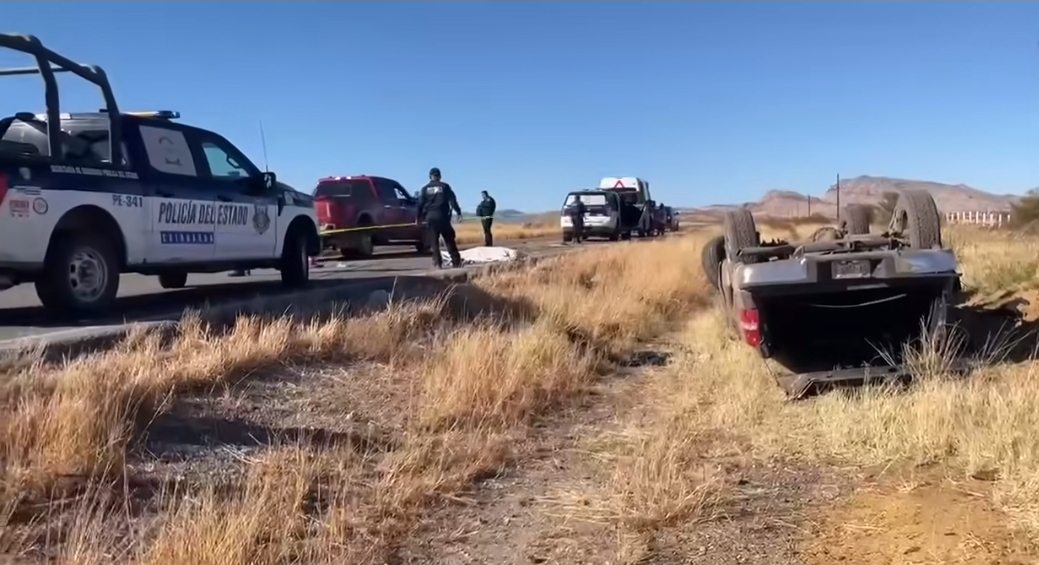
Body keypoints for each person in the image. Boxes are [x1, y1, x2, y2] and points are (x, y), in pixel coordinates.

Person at [416, 167, 463, 269]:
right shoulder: (445, 187)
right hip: (443, 217)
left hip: (430, 217)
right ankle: (456, 262)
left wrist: (418, 218)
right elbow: (453, 201)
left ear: (430, 177)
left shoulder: (425, 189)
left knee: (434, 242)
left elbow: (420, 205)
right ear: (440, 176)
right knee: (449, 240)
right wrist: (458, 212)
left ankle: (437, 263)